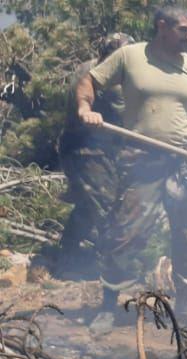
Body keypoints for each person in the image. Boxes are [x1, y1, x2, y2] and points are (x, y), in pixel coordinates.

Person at [76, 6, 187, 317]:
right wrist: (86, 108)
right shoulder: (131, 57)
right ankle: (109, 306)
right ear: (162, 27)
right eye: (184, 30)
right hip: (142, 158)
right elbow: (90, 80)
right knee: (127, 232)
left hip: (184, 162)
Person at [56, 32, 135, 279]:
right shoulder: (108, 81)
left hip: (77, 148)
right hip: (88, 153)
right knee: (108, 208)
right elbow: (129, 121)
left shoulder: (88, 68)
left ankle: (65, 258)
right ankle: (110, 269)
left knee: (85, 206)